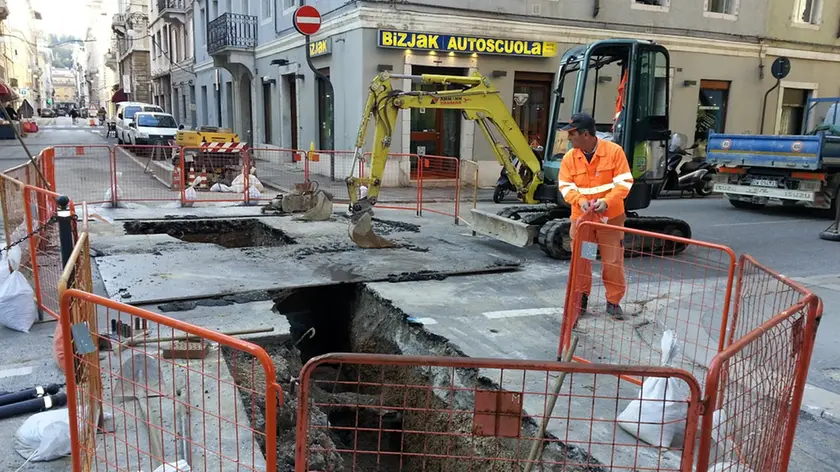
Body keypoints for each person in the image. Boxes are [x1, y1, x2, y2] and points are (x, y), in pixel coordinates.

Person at [557, 113, 634, 320]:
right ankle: (580, 299)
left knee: (612, 261)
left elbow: (624, 183)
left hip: (609, 219)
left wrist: (606, 202)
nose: (569, 138)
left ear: (586, 134)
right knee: (583, 260)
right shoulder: (570, 158)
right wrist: (580, 200)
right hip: (583, 222)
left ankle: (613, 301)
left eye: (572, 134)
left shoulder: (614, 152)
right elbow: (565, 186)